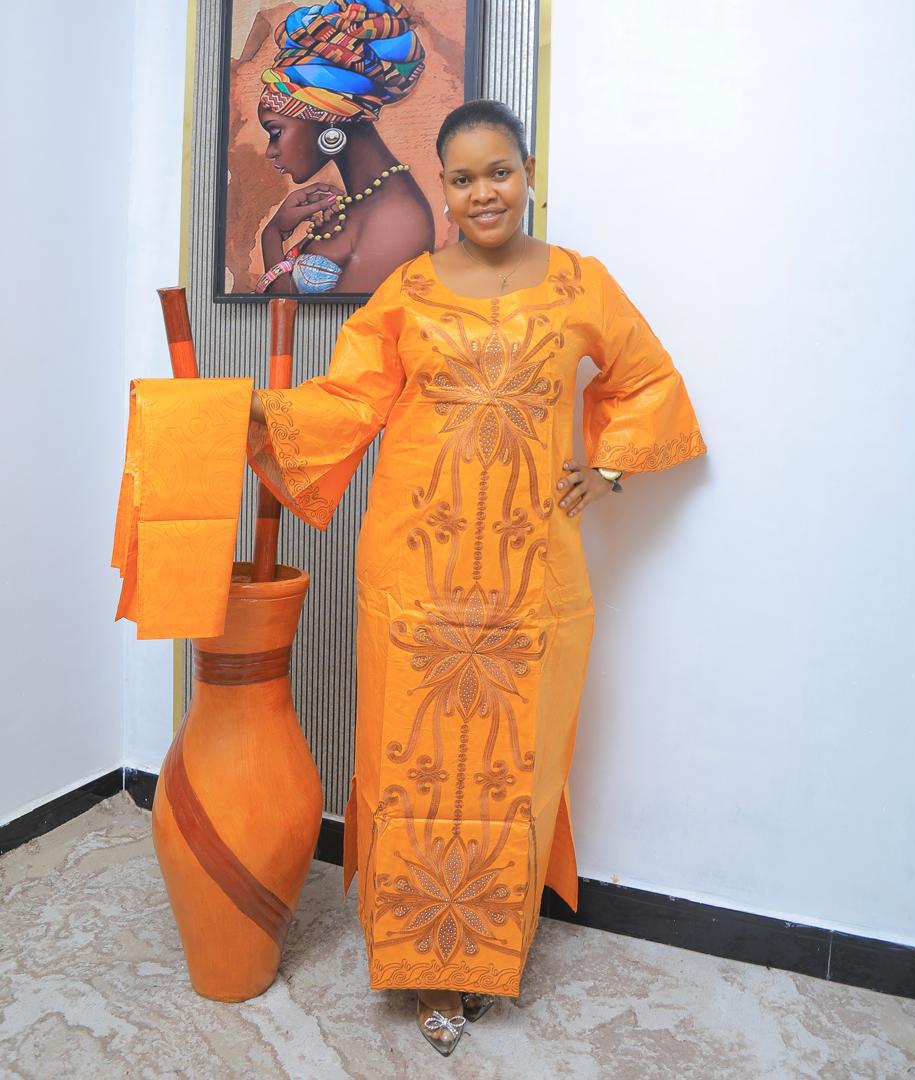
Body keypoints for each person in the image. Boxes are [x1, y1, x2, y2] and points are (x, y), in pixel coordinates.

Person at [247, 99, 707, 1056]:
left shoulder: (581, 283)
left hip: (532, 583)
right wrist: (247, 414)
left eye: (499, 171)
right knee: (411, 762)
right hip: (413, 575)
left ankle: (487, 953)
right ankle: (425, 966)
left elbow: (649, 381)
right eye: (462, 179)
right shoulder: (408, 290)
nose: (482, 192)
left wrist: (611, 466)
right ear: (444, 190)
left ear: (528, 172)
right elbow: (347, 400)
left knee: (511, 766)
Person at [254, 0, 434, 296]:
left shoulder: (397, 218)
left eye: (275, 132)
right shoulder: (357, 201)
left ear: (328, 117)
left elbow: (322, 320)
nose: (270, 151)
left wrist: (272, 236)